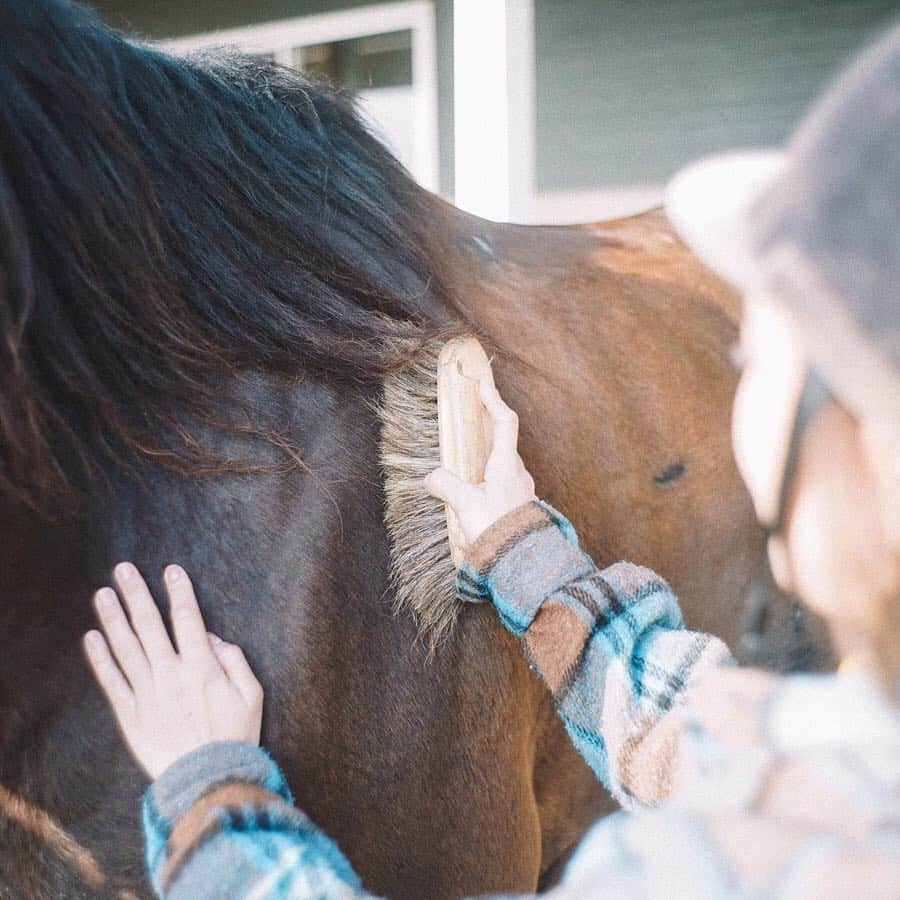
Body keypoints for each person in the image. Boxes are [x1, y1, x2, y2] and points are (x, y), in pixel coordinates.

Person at [83, 23, 900, 900]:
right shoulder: (854, 758)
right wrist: (524, 553)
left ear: (866, 449)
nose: (738, 386)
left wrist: (211, 789)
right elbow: (706, 735)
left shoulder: (695, 873)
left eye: (759, 359)